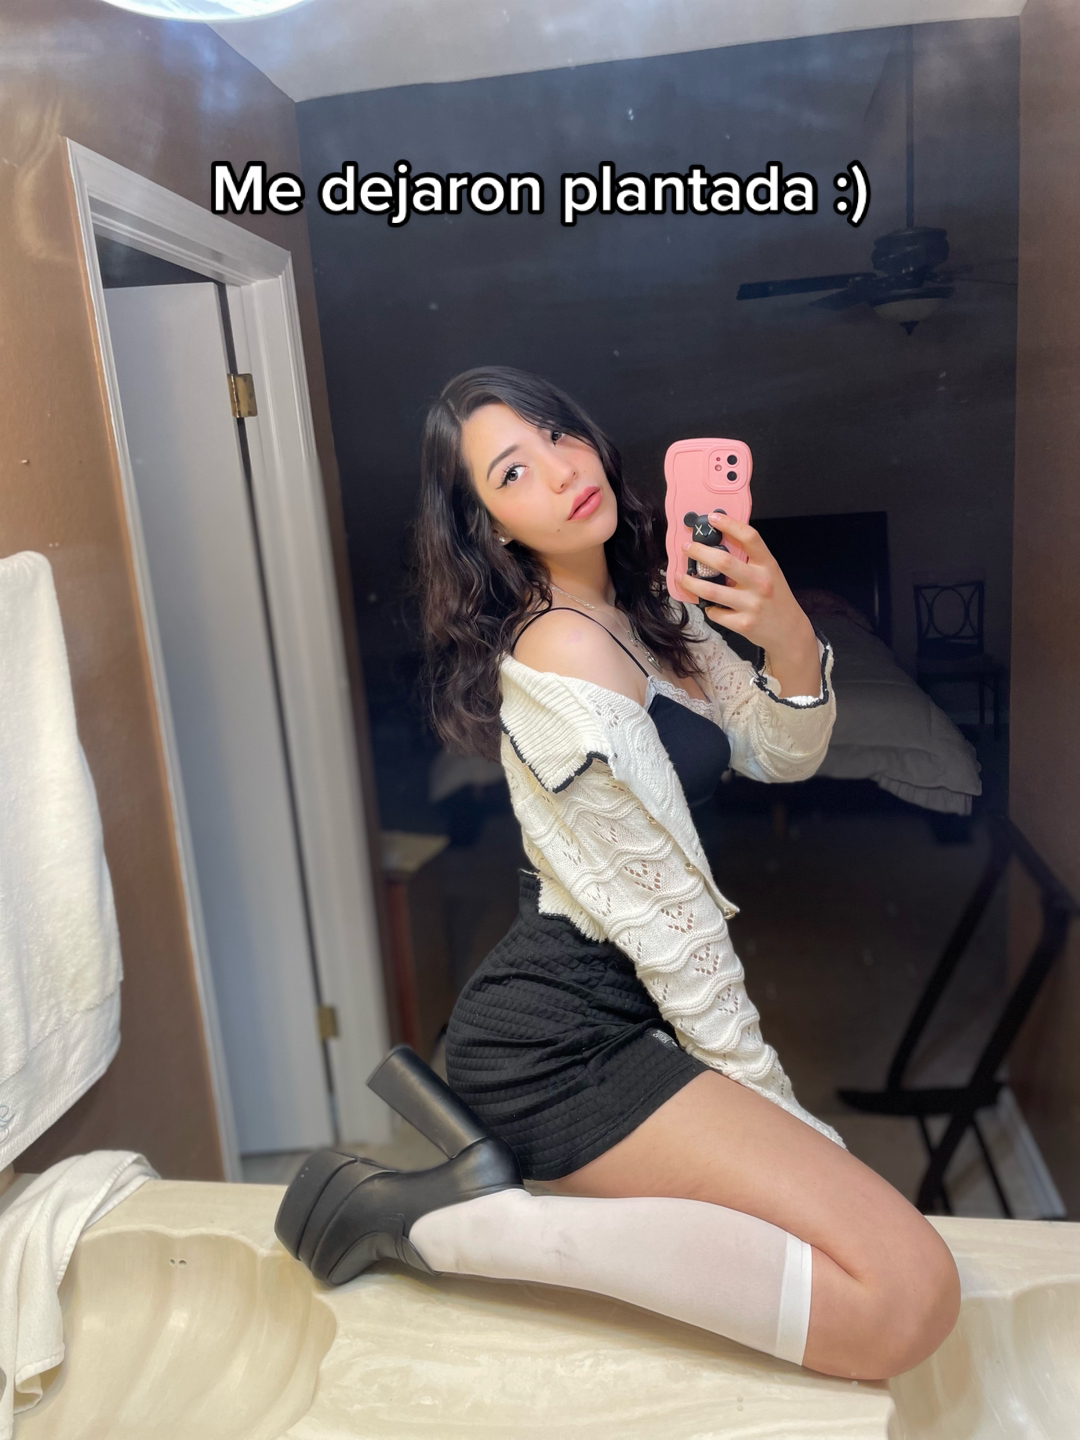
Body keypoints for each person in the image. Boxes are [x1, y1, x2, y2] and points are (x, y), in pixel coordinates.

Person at [277, 366, 960, 1382]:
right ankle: (457, 1227)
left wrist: (782, 627)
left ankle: (481, 1204)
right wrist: (787, 1122)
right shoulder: (562, 654)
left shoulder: (651, 607)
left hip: (635, 1011)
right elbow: (675, 929)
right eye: (514, 472)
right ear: (492, 527)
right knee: (902, 1295)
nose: (561, 471)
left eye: (557, 434)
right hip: (558, 1040)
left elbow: (779, 751)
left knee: (898, 1290)